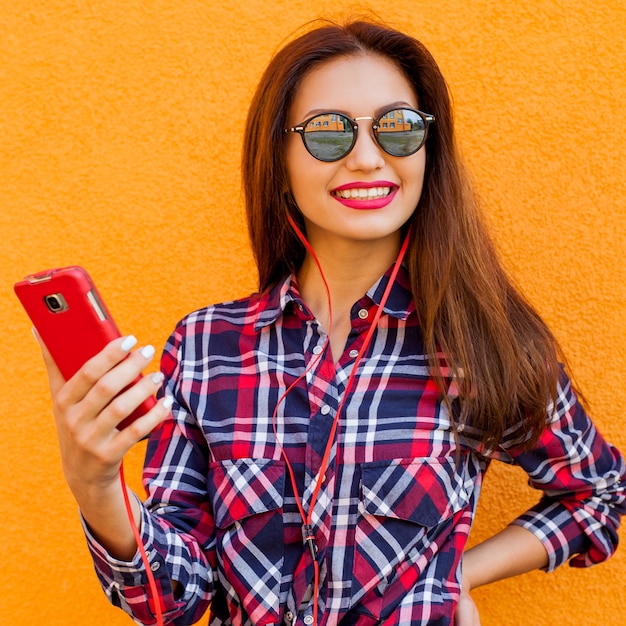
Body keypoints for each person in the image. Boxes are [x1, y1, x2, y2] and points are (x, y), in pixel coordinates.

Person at [38, 18, 626, 626]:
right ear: (280, 160)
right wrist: (96, 487)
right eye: (328, 133)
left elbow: (597, 495)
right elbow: (174, 606)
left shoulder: (478, 343)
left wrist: (454, 576)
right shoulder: (206, 347)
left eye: (397, 130)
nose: (368, 158)